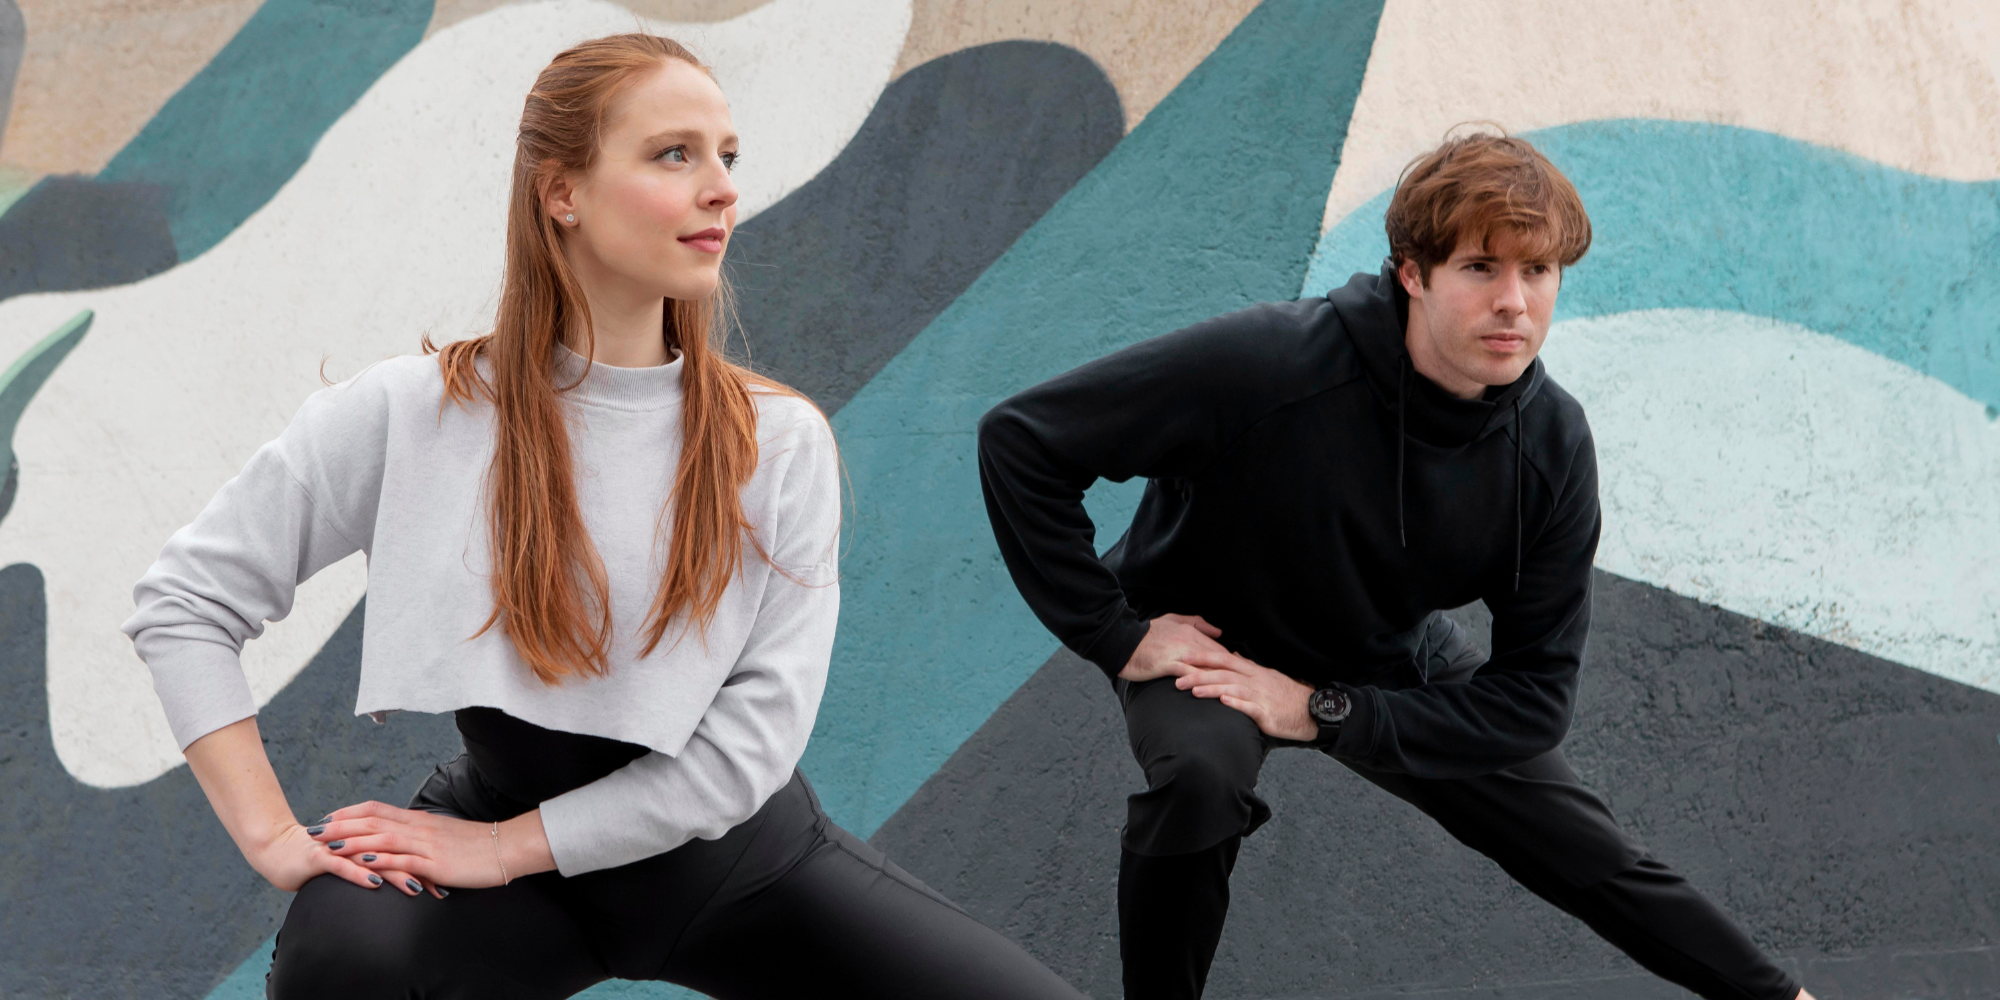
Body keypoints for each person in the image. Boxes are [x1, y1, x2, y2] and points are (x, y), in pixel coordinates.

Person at [123, 34, 1085, 1000]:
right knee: (344, 954)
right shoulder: (410, 413)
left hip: (735, 871)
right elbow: (186, 600)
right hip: (502, 872)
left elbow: (745, 756)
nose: (722, 189)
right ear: (562, 193)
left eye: (727, 156)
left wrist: (504, 848)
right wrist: (272, 837)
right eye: (674, 154)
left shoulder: (776, 442)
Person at [977, 131, 1815, 1000]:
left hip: (1379, 654)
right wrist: (1117, 634)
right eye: (1481, 268)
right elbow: (1023, 442)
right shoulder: (1270, 363)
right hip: (1210, 647)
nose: (1515, 303)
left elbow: (1533, 700)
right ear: (1413, 272)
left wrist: (1324, 711)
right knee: (1200, 781)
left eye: (1538, 271)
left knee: (1586, 847)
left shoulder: (1551, 447)